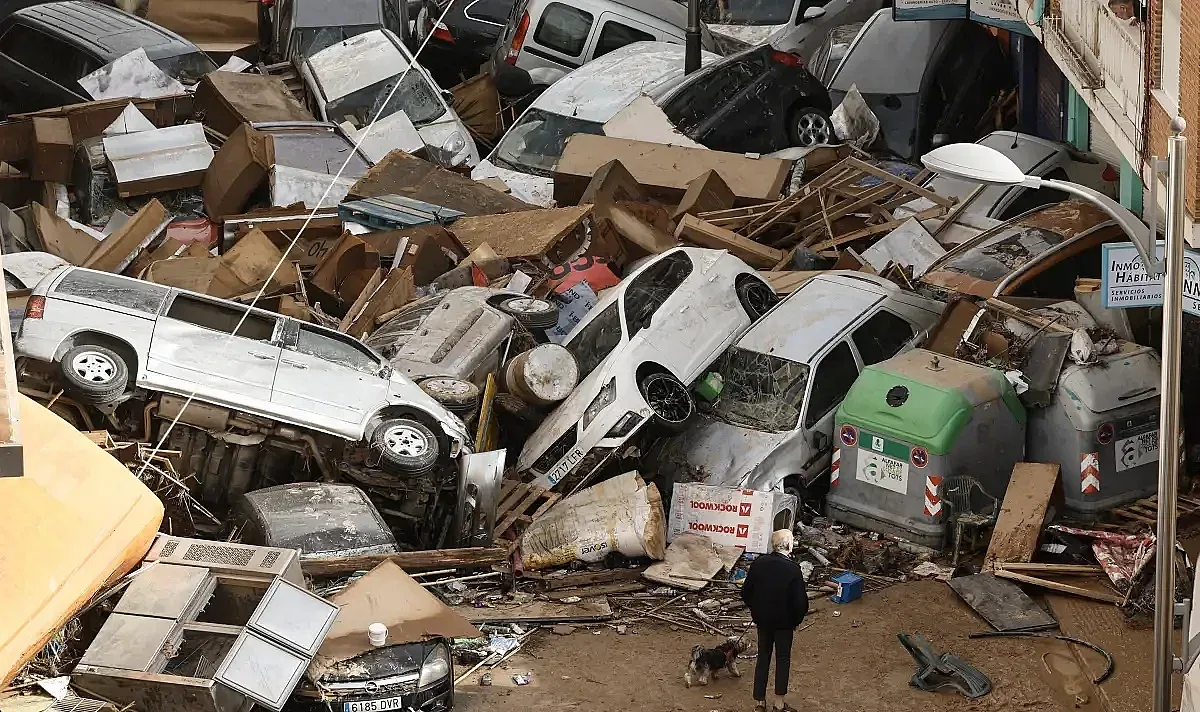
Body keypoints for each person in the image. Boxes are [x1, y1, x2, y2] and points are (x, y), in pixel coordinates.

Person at [740, 529, 808, 712]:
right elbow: (800, 602)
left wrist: (756, 611)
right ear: (788, 545)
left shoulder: (759, 563)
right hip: (784, 624)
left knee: (763, 657)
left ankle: (759, 702)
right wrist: (795, 621)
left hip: (763, 621)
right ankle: (779, 703)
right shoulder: (793, 569)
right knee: (782, 659)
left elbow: (746, 592)